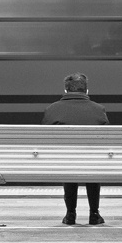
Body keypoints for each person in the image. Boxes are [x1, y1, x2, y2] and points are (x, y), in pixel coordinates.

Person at [43, 72, 109, 225]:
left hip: (65, 161)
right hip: (92, 161)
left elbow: (46, 139)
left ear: (65, 90)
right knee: (92, 163)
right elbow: (106, 139)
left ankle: (70, 214)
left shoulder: (52, 109)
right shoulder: (98, 109)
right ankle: (94, 213)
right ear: (86, 91)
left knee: (69, 161)